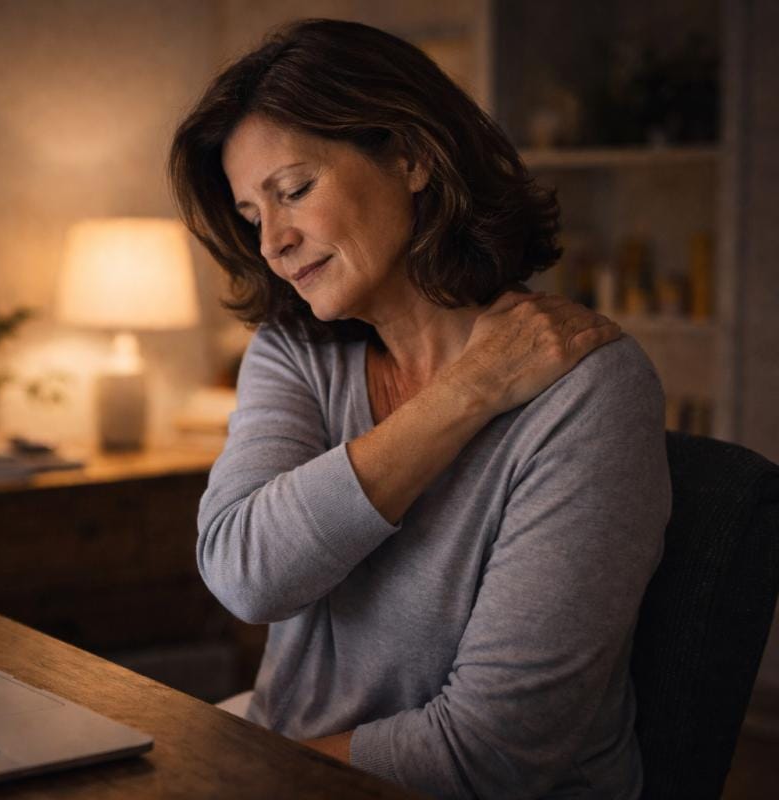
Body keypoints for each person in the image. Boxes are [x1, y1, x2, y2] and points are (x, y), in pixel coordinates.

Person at [168, 19, 670, 800]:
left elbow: (492, 753)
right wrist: (469, 392)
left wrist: (243, 769)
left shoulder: (588, 390)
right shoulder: (296, 352)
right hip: (289, 764)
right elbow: (246, 576)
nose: (273, 242)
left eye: (294, 191)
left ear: (411, 156)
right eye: (251, 215)